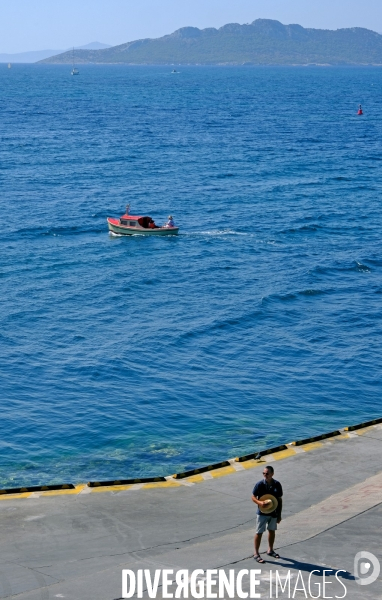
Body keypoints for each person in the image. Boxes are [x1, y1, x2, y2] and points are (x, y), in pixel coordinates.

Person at [251, 465, 283, 563]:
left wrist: (279, 514)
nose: (265, 475)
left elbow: (279, 500)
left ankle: (270, 550)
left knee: (272, 531)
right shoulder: (259, 484)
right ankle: (256, 553)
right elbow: (253, 497)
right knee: (259, 532)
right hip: (262, 512)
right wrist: (260, 503)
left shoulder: (277, 484)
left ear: (272, 474)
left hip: (273, 512)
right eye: (264, 473)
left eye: (267, 473)